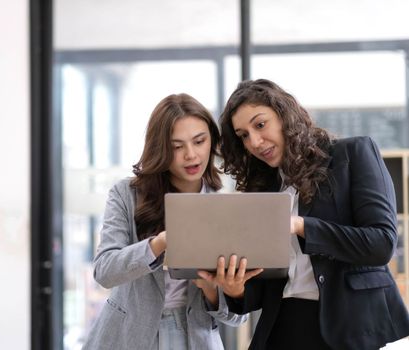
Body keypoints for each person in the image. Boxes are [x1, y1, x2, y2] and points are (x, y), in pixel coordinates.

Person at [199, 79, 409, 350]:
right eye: (243, 135)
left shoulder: (352, 154)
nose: (254, 141)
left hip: (346, 328)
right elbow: (263, 289)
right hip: (282, 327)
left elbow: (381, 243)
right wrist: (234, 288)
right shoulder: (264, 189)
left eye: (260, 125)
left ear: (285, 116)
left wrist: (301, 226)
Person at [82, 93, 253, 350]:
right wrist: (159, 243)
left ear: (212, 141)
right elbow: (105, 271)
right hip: (129, 337)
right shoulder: (126, 195)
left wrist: (212, 290)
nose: (191, 155)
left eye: (199, 141)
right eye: (177, 146)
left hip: (196, 338)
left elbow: (238, 317)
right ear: (160, 148)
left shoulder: (225, 208)